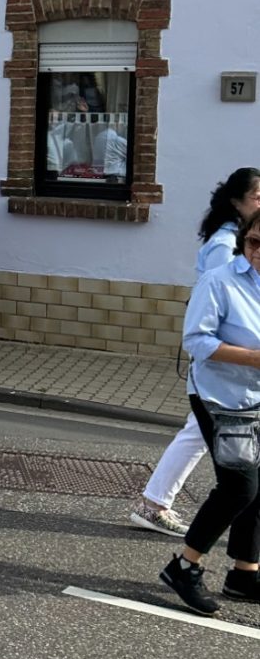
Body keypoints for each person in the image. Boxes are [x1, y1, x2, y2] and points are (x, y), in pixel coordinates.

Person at [132, 167, 260, 535]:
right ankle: (157, 506)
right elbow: (222, 300)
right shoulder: (225, 244)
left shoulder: (237, 236)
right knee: (201, 439)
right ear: (236, 201)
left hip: (235, 377)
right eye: (257, 197)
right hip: (223, 371)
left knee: (198, 434)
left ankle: (155, 502)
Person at [158, 223, 260, 615]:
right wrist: (253, 358)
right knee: (239, 487)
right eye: (254, 241)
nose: (258, 251)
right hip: (220, 397)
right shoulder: (219, 280)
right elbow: (196, 341)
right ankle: (184, 567)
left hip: (255, 397)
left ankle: (244, 573)